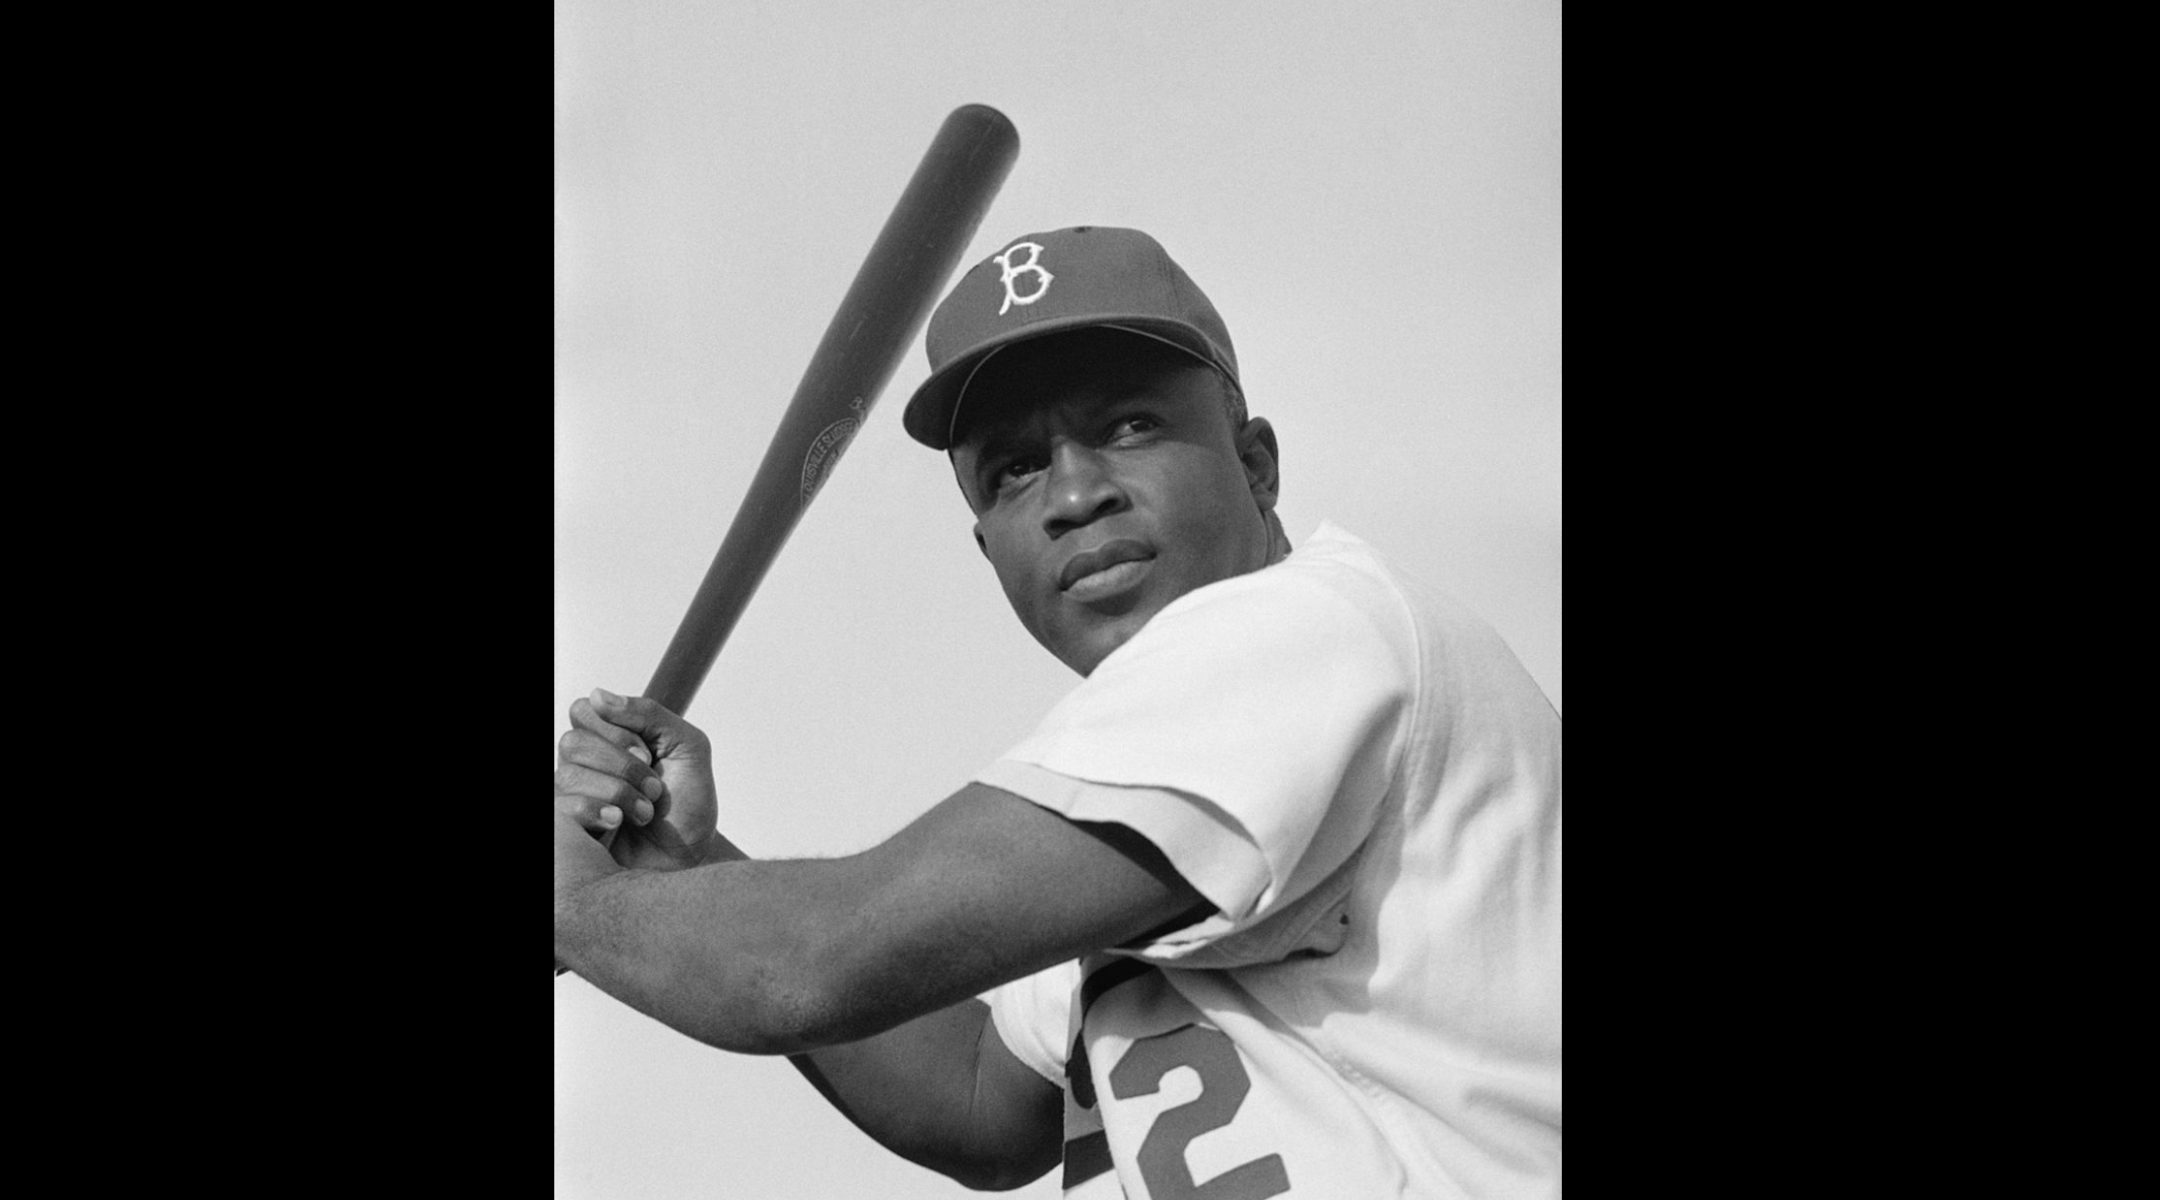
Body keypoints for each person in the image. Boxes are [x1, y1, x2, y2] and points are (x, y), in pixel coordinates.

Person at [554, 226, 1562, 1197]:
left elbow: (808, 964)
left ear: (1255, 463)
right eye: (1016, 468)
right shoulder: (1138, 775)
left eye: (1129, 425)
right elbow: (981, 1099)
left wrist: (578, 902)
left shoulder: (1305, 633)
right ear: (989, 550)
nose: (1075, 494)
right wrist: (684, 867)